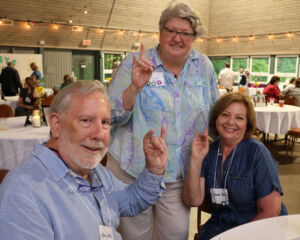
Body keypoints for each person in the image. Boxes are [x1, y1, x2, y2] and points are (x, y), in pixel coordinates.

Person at [107, 2, 219, 239]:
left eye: (186, 33)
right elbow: (108, 116)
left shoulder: (204, 67)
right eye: (171, 30)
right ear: (160, 32)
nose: (178, 38)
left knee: (175, 235)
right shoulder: (135, 63)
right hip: (133, 172)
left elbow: (214, 114)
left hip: (178, 175)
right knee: (134, 236)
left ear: (194, 37)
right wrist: (134, 88)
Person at [0, 80, 167, 240]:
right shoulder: (22, 192)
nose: (99, 134)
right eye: (86, 121)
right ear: (57, 125)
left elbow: (131, 201)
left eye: (105, 123)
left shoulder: (95, 172)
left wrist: (154, 170)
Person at [182, 92, 287, 240]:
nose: (230, 122)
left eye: (239, 118)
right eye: (225, 115)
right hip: (221, 224)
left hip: (259, 227)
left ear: (247, 124)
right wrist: (195, 159)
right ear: (216, 118)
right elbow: (192, 201)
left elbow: (271, 212)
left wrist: (236, 237)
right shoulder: (209, 151)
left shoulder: (257, 153)